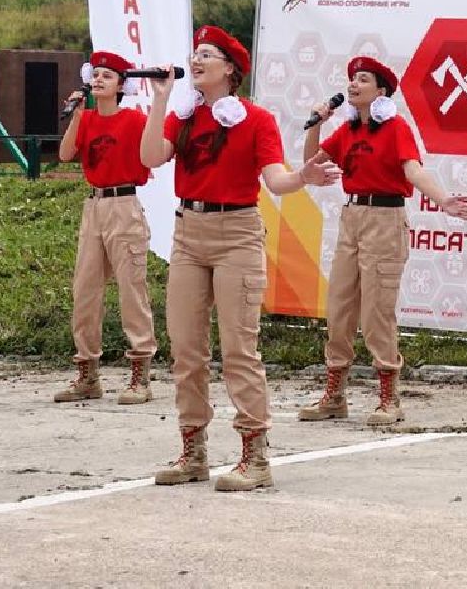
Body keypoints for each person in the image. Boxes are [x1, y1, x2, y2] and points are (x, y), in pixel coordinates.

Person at [140, 25, 340, 493]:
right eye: (194, 54)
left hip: (237, 235)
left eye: (206, 54)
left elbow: (277, 181)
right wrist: (159, 99)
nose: (196, 60)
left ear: (230, 69)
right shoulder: (183, 116)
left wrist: (305, 175)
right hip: (188, 232)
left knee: (238, 350)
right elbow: (150, 157)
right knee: (187, 351)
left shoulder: (255, 119)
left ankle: (255, 455)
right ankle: (193, 452)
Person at [298, 56, 467, 426]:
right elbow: (310, 165)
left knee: (377, 310)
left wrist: (442, 200)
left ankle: (389, 397)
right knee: (340, 307)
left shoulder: (395, 128)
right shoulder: (346, 131)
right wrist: (317, 123)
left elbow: (413, 169)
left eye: (362, 79)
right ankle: (334, 395)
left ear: (380, 90)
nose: (353, 84)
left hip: (385, 218)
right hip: (352, 219)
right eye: (351, 79)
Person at [52, 51, 157, 406]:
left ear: (121, 85)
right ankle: (87, 374)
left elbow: (150, 155)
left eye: (107, 76)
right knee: (85, 291)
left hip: (124, 204)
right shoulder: (86, 118)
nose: (98, 80)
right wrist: (77, 113)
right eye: (94, 75)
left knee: (132, 291)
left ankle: (140, 374)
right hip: (94, 205)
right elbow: (66, 154)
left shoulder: (134, 120)